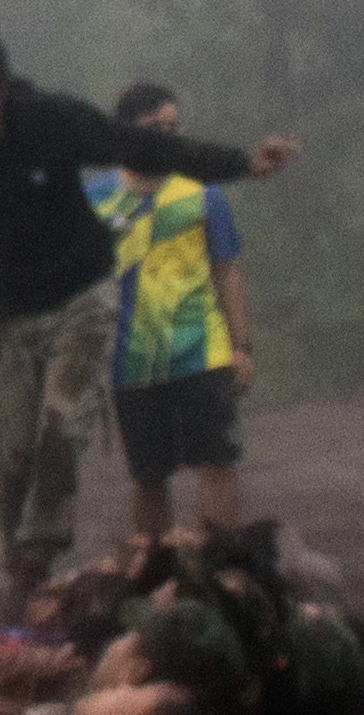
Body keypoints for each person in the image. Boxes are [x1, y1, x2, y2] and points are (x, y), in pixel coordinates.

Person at [0, 29, 301, 600]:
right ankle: (22, 574)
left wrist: (240, 163)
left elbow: (144, 147)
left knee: (62, 423)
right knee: (10, 462)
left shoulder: (51, 119)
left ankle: (38, 558)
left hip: (84, 299)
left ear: (3, 92)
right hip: (8, 321)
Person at [91, 81, 261, 549]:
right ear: (127, 134)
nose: (168, 139)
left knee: (217, 462)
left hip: (201, 351)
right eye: (155, 129)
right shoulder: (96, 199)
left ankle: (221, 572)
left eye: (174, 128)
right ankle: (155, 580)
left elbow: (227, 272)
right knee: (148, 477)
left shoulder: (202, 194)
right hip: (131, 359)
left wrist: (240, 347)